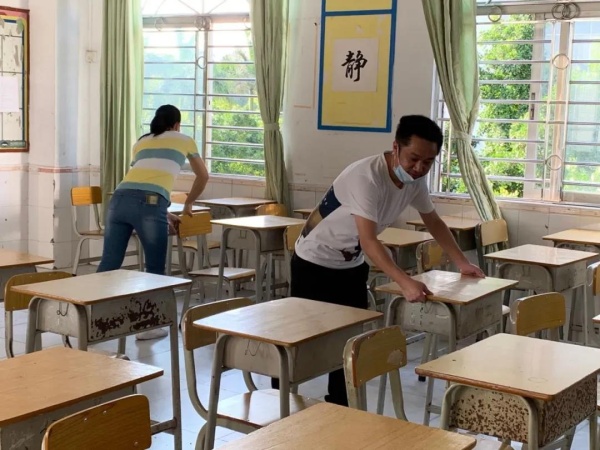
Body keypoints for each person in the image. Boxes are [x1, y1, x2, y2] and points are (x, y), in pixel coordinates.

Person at [290, 115, 485, 405]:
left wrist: (462, 262)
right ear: (396, 147)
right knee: (300, 340)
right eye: (413, 159)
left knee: (348, 341)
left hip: (350, 266)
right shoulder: (367, 178)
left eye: (428, 162)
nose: (419, 168)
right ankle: (278, 397)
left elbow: (433, 221)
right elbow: (369, 241)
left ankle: (340, 405)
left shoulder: (414, 180)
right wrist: (405, 282)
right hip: (313, 263)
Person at [97, 104, 209, 340]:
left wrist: (163, 212)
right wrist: (189, 203)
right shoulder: (184, 139)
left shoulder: (141, 141)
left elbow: (139, 183)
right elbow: (203, 176)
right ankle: (147, 326)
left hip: (118, 200)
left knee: (109, 263)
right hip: (149, 203)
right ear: (177, 124)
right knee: (155, 268)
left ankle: (92, 321)